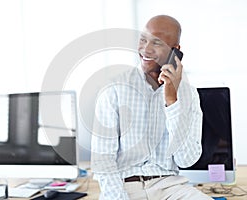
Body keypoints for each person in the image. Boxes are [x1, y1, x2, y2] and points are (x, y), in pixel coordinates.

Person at [91, 15, 213, 200]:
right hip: (124, 187)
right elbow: (103, 160)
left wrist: (172, 101)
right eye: (142, 40)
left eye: (156, 43)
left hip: (171, 187)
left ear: (175, 51)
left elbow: (186, 160)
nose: (145, 49)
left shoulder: (188, 94)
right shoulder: (114, 88)